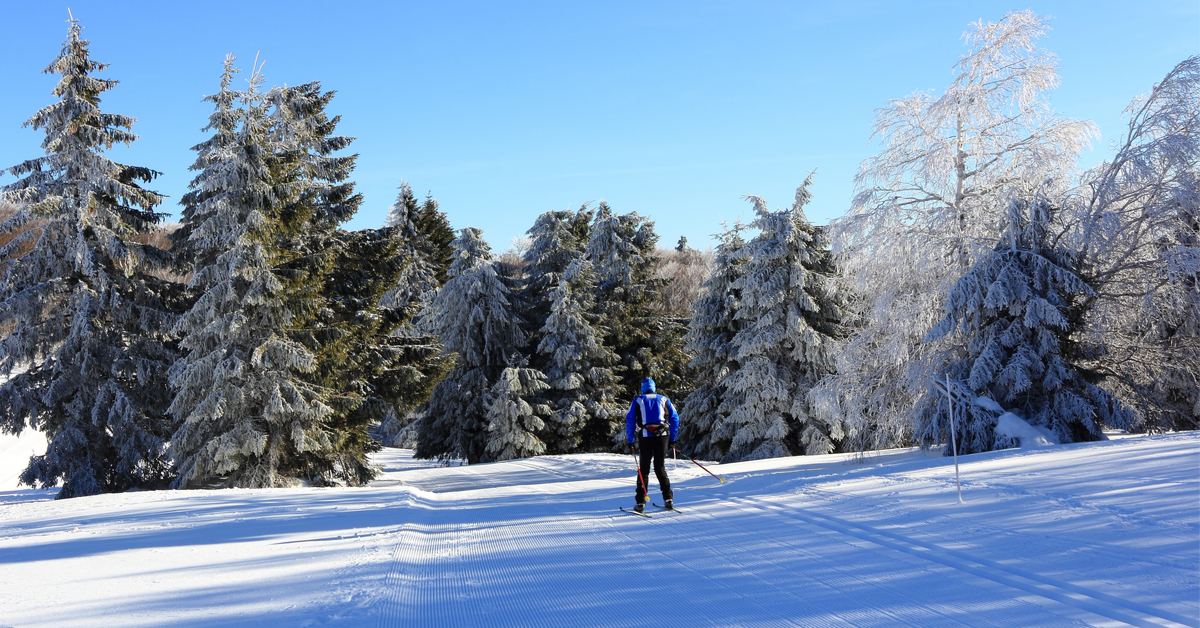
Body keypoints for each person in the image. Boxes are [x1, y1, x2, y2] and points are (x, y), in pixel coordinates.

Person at [626, 378, 679, 513]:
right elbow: (675, 418)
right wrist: (672, 438)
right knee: (660, 468)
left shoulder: (638, 400)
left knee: (643, 469)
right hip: (663, 437)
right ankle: (668, 499)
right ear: (654, 387)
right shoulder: (664, 399)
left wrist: (630, 440)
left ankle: (640, 502)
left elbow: (630, 419)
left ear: (643, 388)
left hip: (646, 437)